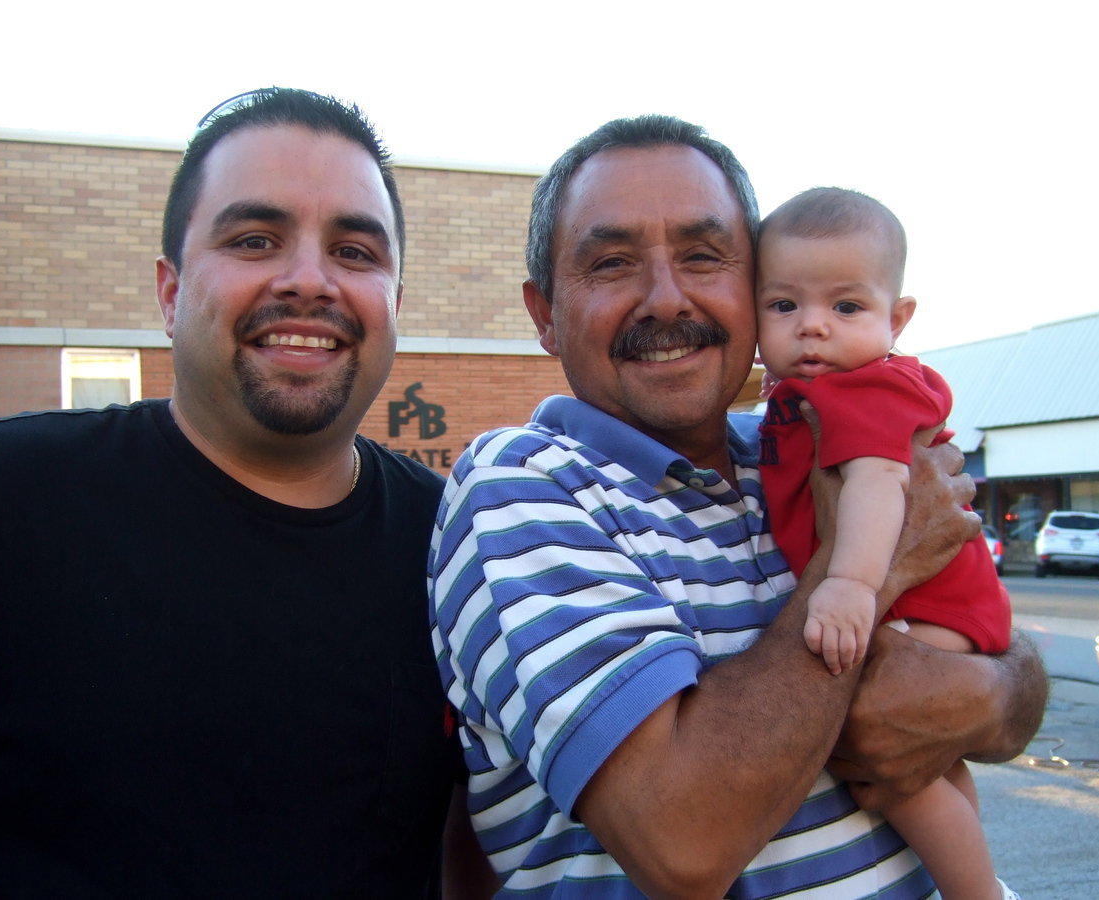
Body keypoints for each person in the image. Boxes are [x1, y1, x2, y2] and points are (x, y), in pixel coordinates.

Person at [428, 114, 1047, 899]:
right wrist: (866, 562)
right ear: (544, 313)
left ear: (753, 291)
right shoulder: (520, 486)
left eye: (703, 256)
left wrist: (997, 693)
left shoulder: (803, 445)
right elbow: (681, 841)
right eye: (612, 263)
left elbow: (995, 655)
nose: (665, 298)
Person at [0, 88, 491, 897]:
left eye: (355, 252)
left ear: (395, 302)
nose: (310, 281)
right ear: (171, 292)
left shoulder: (460, 548)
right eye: (255, 239)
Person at [756, 187, 1014, 898]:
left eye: (846, 308)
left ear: (896, 319)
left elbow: (877, 485)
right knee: (923, 756)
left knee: (887, 753)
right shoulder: (803, 397)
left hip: (930, 601)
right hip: (940, 600)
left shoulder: (867, 389)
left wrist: (850, 586)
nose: (813, 329)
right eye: (784, 306)